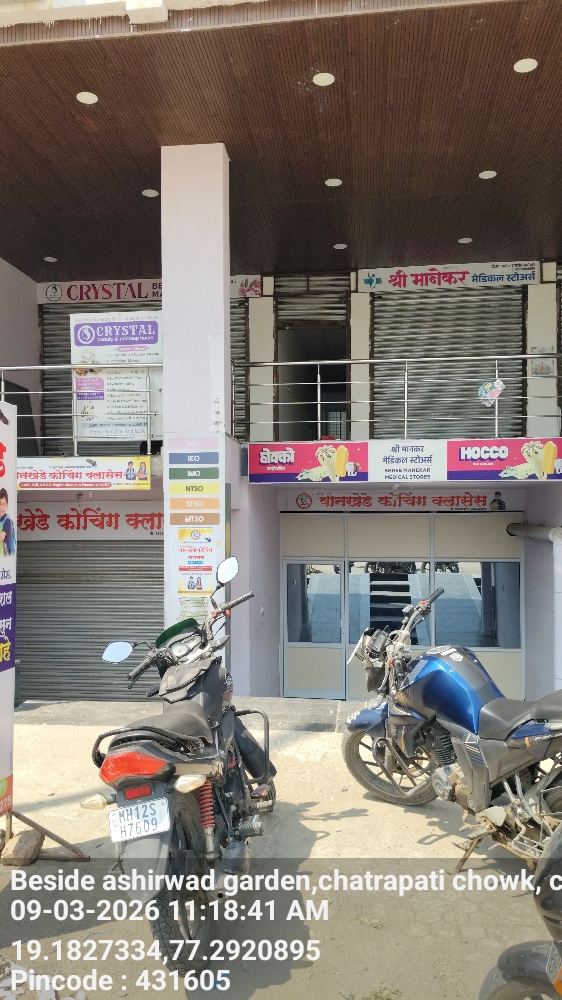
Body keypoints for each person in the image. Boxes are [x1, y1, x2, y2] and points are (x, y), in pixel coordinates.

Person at [0, 488, 15, 556]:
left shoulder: (7, 522)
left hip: (5, 558)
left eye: (4, 504)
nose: (1, 507)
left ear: (7, 506)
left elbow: (1, 537)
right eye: (0, 504)